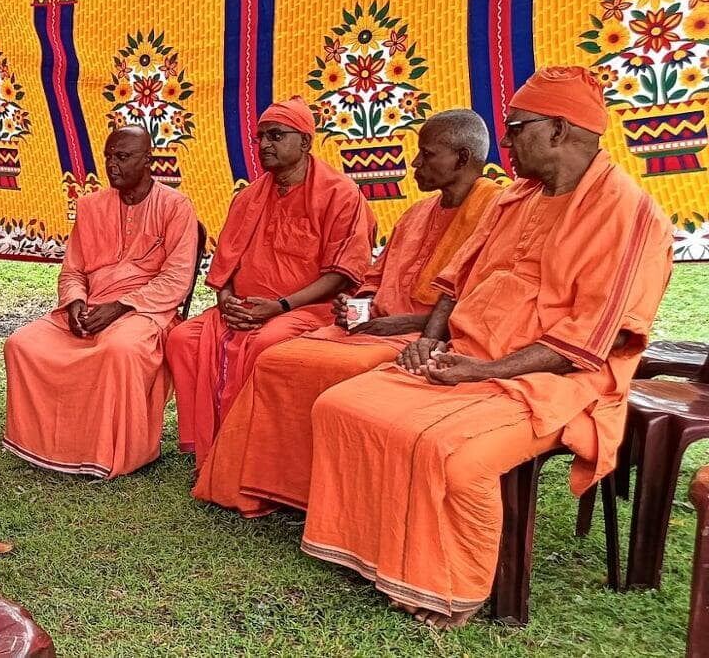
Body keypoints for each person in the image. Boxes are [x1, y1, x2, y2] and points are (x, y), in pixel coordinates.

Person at [299, 67, 674, 628]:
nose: (505, 145)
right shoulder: (514, 199)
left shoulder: (630, 215)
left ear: (557, 130)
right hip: (468, 359)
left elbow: (589, 342)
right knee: (340, 406)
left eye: (515, 128)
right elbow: (455, 283)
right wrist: (432, 343)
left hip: (559, 381)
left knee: (452, 454)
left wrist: (482, 370)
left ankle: (450, 590)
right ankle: (380, 557)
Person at [193, 110, 502, 516]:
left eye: (426, 155)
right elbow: (374, 276)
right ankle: (269, 485)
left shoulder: (498, 211)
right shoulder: (416, 214)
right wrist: (357, 306)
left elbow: (484, 299)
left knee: (309, 363)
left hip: (432, 336)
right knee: (277, 361)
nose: (415, 164)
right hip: (374, 327)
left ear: (462, 159)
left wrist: (410, 323)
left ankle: (327, 493)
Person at [164, 96, 376, 464]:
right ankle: (209, 446)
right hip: (245, 308)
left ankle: (250, 453)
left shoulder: (342, 194)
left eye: (276, 135)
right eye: (260, 137)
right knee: (183, 338)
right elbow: (226, 264)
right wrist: (226, 299)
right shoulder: (248, 196)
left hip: (311, 309)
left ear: (306, 143)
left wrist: (279, 306)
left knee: (267, 343)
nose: (264, 145)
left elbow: (342, 275)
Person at [1, 126, 201, 478]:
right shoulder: (91, 206)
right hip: (90, 308)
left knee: (118, 350)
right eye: (108, 156)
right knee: (21, 344)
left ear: (148, 160)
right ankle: (47, 445)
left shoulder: (175, 207)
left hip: (146, 310)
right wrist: (76, 303)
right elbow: (73, 271)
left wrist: (120, 306)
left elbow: (176, 280)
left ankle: (115, 452)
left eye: (122, 157)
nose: (112, 165)